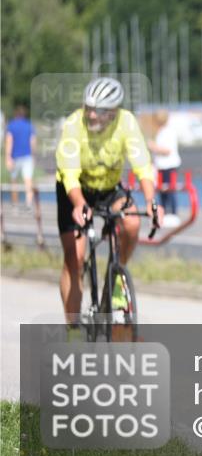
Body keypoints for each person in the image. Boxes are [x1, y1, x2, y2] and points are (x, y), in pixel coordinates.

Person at [55, 77, 162, 327]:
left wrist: (151, 201)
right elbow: (69, 174)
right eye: (88, 107)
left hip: (108, 187)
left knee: (132, 222)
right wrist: (79, 203)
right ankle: (73, 330)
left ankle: (116, 277)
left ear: (113, 112)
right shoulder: (73, 124)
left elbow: (142, 165)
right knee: (75, 258)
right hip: (75, 190)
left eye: (99, 110)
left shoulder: (127, 122)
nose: (91, 115)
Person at [147, 109, 182, 227]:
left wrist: (153, 147)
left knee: (170, 190)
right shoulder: (161, 132)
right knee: (162, 191)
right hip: (161, 166)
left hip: (169, 166)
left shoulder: (168, 132)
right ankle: (164, 213)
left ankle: (173, 214)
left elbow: (167, 150)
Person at [5, 105, 36, 208]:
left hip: (15, 157)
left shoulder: (11, 126)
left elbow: (9, 141)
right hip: (27, 156)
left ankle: (15, 203)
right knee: (28, 180)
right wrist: (33, 155)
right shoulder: (29, 125)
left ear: (16, 115)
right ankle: (29, 202)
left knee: (14, 180)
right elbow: (32, 141)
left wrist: (8, 157)